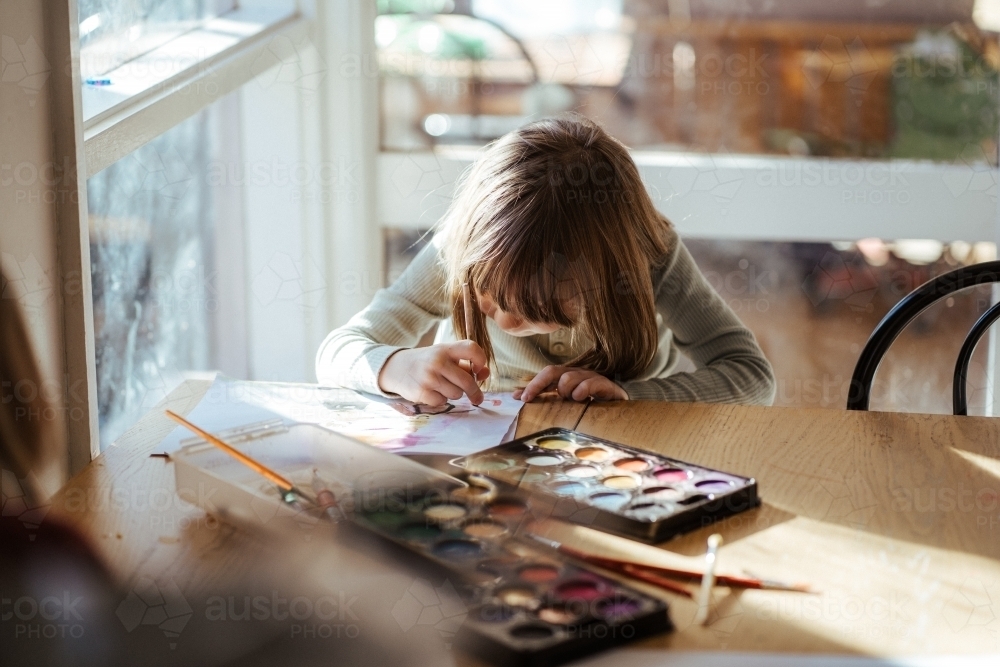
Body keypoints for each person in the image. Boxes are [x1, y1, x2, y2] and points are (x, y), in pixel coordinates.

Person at [316, 115, 775, 407]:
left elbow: (751, 376)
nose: (507, 321)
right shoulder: (461, 249)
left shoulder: (652, 257)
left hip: (626, 452)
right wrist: (392, 365)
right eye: (491, 299)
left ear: (610, 273)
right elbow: (337, 351)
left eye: (538, 309)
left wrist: (633, 395)